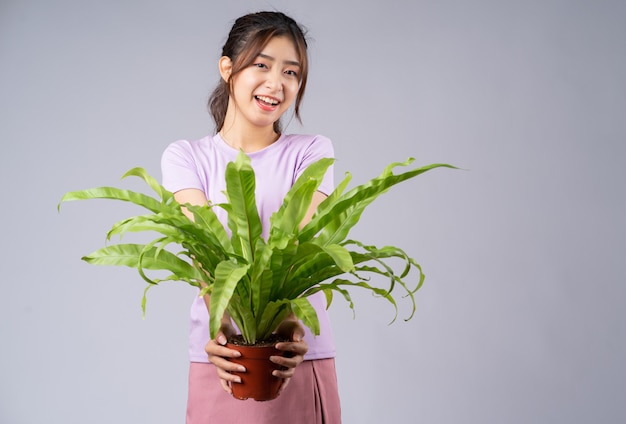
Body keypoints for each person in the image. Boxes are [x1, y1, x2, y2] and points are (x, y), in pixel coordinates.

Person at [160, 11, 341, 424]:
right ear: (228, 68)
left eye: (291, 72)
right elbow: (207, 254)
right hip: (223, 356)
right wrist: (221, 331)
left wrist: (291, 326)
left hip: (294, 352)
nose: (276, 84)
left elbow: (300, 246)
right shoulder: (187, 156)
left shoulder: (311, 151)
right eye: (261, 64)